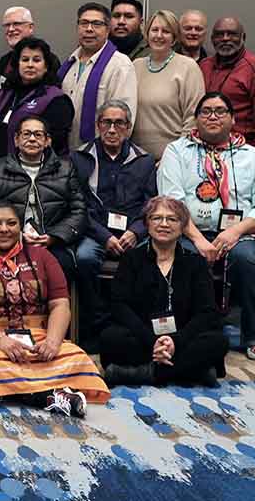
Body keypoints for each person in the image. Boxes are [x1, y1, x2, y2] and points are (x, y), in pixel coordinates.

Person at [0, 200, 110, 414]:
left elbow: (60, 304)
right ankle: (46, 396)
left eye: (11, 223)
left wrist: (52, 342)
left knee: (75, 356)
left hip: (37, 337)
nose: (4, 229)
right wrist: (0, 340)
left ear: (20, 227)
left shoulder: (42, 256)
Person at [157, 92, 255, 360]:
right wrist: (198, 239)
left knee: (248, 260)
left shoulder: (252, 156)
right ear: (196, 119)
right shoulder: (177, 151)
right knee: (184, 257)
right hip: (188, 232)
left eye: (220, 111)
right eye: (206, 111)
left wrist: (235, 231)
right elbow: (172, 202)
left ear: (233, 119)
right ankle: (180, 332)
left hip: (239, 234)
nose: (213, 116)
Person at [100, 196, 228, 387]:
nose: (164, 224)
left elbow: (207, 311)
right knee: (110, 338)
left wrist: (176, 342)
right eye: (156, 218)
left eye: (172, 219)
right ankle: (193, 372)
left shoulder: (196, 263)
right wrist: (152, 341)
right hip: (142, 335)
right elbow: (119, 306)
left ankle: (141, 373)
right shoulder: (131, 259)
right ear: (147, 224)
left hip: (182, 336)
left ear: (182, 226)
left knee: (218, 341)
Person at [71, 101, 157, 341]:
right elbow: (77, 206)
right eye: (106, 122)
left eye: (119, 123)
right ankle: (95, 323)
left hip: (134, 231)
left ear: (128, 127)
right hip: (94, 231)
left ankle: (137, 325)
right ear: (98, 125)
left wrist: (136, 232)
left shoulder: (144, 160)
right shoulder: (79, 158)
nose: (112, 129)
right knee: (84, 258)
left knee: (151, 258)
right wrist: (105, 236)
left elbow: (151, 204)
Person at [0, 116, 87, 282]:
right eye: (26, 134)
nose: (32, 139)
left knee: (64, 266)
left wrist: (53, 236)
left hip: (52, 240)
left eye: (38, 135)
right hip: (8, 239)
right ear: (16, 140)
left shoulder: (66, 169)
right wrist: (16, 235)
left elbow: (79, 211)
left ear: (47, 141)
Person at [58, 2, 138, 152]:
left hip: (100, 154)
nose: (89, 29)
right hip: (65, 152)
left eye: (96, 24)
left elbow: (125, 120)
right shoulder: (69, 64)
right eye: (84, 23)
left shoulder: (119, 65)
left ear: (108, 30)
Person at [131, 10, 206, 160]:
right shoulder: (135, 66)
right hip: (136, 160)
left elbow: (193, 119)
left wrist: (172, 158)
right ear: (147, 34)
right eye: (154, 30)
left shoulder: (188, 67)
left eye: (166, 31)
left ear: (174, 38)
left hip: (174, 159)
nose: (159, 35)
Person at [199, 16, 255, 155]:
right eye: (219, 34)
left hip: (241, 152)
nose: (225, 38)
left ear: (243, 37)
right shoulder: (204, 66)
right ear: (212, 39)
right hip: (204, 149)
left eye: (232, 34)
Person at [0, 37, 74, 159]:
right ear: (17, 64)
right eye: (25, 60)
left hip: (38, 167)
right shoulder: (5, 94)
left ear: (46, 66)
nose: (30, 65)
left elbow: (54, 144)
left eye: (36, 60)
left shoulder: (56, 99)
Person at [0, 7, 35, 81]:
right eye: (7, 25)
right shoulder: (4, 61)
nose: (11, 29)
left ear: (30, 27)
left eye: (16, 24)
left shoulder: (47, 59)